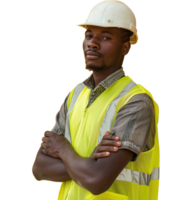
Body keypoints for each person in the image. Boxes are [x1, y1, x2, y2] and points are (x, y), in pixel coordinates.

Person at [30, 0, 161, 199]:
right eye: (89, 35)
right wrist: (90, 163)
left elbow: (97, 180)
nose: (92, 43)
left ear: (125, 47)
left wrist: (64, 150)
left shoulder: (136, 102)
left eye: (106, 37)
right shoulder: (74, 95)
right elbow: (39, 169)